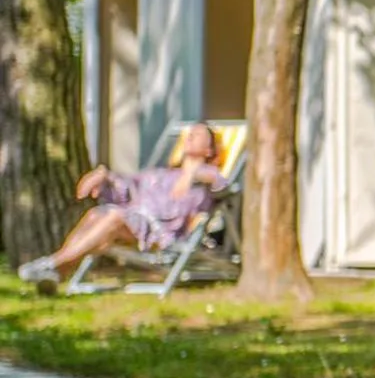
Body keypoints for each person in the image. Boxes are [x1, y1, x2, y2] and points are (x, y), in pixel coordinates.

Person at [16, 122, 229, 294]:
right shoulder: (161, 174)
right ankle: (56, 272)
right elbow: (128, 187)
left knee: (114, 217)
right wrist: (104, 175)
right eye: (189, 133)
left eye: (198, 134)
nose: (190, 136)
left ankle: (53, 264)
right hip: (136, 221)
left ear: (209, 149)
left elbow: (221, 185)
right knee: (94, 215)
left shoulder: (210, 177)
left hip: (162, 235)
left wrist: (195, 172)